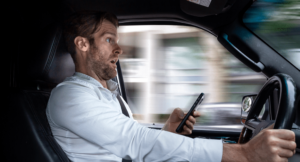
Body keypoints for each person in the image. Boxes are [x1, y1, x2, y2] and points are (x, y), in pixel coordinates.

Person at [46, 11, 297, 162]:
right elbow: (135, 141)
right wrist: (244, 154)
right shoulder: (70, 96)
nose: (119, 49)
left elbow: (130, 144)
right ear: (82, 45)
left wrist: (168, 129)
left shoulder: (110, 96)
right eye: (109, 39)